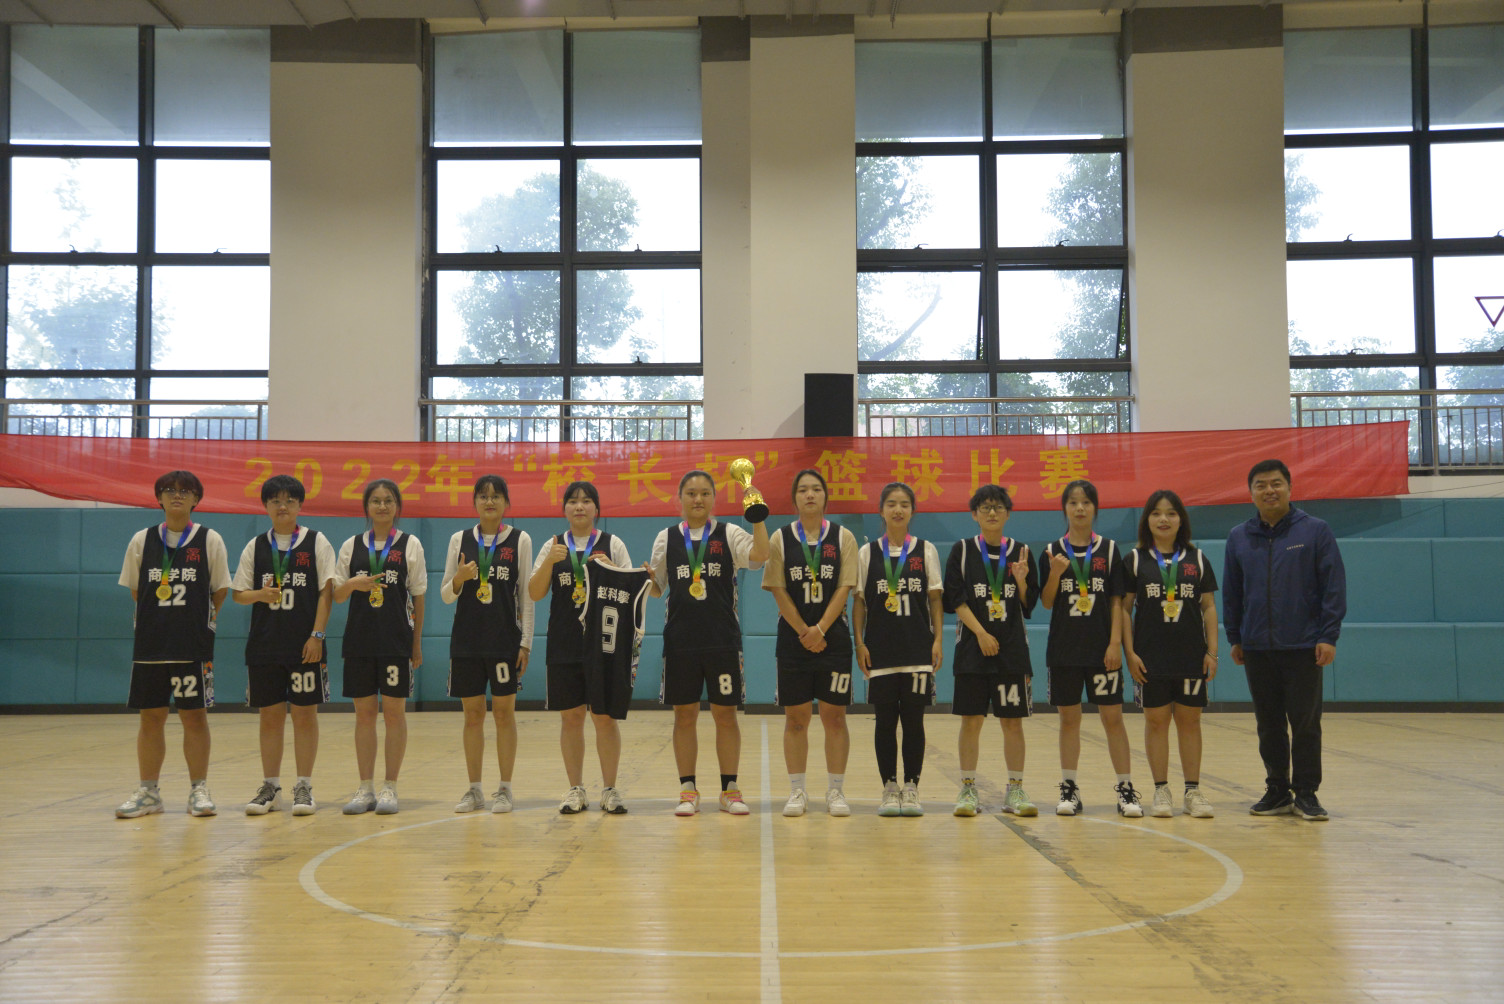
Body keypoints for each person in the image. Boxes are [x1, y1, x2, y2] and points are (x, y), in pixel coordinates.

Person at [1224, 459, 1346, 822]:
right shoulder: (1239, 537)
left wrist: (1328, 635)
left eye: (1276, 483)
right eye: (1260, 485)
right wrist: (1235, 636)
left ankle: (1306, 792)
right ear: (1250, 493)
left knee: (1306, 724)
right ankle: (1277, 789)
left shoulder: (1315, 531)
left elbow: (1333, 587)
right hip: (1256, 647)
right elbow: (1232, 592)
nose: (1269, 491)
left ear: (1289, 488)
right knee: (1269, 724)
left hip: (1304, 646)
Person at [647, 469, 770, 817]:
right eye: (690, 493)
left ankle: (730, 790)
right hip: (681, 642)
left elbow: (761, 554)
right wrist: (642, 579)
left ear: (714, 498)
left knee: (725, 715)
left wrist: (757, 515)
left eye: (704, 493)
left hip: (722, 641)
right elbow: (656, 589)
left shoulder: (729, 534)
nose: (697, 499)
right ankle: (688, 790)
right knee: (684, 716)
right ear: (680, 499)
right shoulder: (666, 538)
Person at [115, 470, 231, 818]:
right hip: (150, 646)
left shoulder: (209, 539)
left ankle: (199, 790)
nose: (176, 495)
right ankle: (149, 793)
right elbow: (137, 592)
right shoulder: (142, 540)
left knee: (194, 717)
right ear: (159, 498)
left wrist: (196, 622)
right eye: (169, 490)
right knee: (150, 717)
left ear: (196, 499)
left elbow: (220, 591)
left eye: (184, 490)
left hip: (192, 645)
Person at [231, 474, 336, 816]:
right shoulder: (256, 546)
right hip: (264, 646)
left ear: (299, 505)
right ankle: (271, 787)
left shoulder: (316, 542)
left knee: (305, 716)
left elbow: (326, 592)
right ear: (265, 506)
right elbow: (238, 594)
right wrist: (259, 595)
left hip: (304, 646)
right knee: (270, 718)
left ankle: (304, 785)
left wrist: (317, 635)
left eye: (289, 500)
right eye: (275, 500)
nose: (282, 506)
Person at [527, 481, 634, 814]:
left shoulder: (613, 544)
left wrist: (614, 570)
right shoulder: (553, 545)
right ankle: (575, 789)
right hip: (564, 643)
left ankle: (610, 790)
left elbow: (632, 590)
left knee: (604, 718)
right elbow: (534, 592)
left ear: (596, 509)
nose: (579, 506)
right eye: (572, 501)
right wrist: (549, 562)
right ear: (564, 510)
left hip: (604, 644)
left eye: (586, 501)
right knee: (571, 718)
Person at [1037, 480, 1141, 818]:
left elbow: (1117, 601)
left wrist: (1114, 644)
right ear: (1064, 508)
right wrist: (1055, 573)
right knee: (1069, 720)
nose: (1080, 508)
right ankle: (1069, 789)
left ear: (1095, 508)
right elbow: (1047, 602)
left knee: (1113, 719)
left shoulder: (1109, 550)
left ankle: (1126, 790)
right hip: (1064, 651)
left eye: (1086, 502)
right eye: (1073, 502)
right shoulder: (1052, 551)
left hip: (1102, 651)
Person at [762, 469, 859, 818]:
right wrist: (805, 631)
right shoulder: (780, 538)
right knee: (796, 719)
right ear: (794, 498)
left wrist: (820, 629)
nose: (810, 495)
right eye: (803, 489)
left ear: (825, 496)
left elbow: (845, 587)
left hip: (834, 641)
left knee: (835, 717)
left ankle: (836, 791)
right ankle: (797, 791)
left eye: (816, 489)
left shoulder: (844, 537)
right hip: (793, 641)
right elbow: (777, 588)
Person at [1121, 490, 1218, 819]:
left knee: (1190, 722)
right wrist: (1130, 653)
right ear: (1146, 519)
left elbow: (1208, 607)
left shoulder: (1197, 558)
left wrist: (1212, 652)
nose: (1164, 519)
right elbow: (1123, 610)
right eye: (1156, 513)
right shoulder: (1135, 560)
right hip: (1150, 658)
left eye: (1171, 513)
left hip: (1191, 657)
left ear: (1181, 519)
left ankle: (1193, 791)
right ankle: (1161, 790)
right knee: (1156, 722)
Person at [945, 484, 1040, 818]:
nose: (992, 512)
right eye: (984, 507)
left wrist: (1022, 580)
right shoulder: (962, 550)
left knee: (1013, 723)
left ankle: (1015, 789)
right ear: (974, 514)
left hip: (1011, 652)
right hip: (973, 650)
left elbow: (1028, 605)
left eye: (998, 507)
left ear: (1008, 513)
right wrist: (982, 633)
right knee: (971, 721)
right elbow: (956, 599)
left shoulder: (1022, 552)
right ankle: (967, 788)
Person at [334, 479, 426, 815]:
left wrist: (416, 644)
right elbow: (336, 594)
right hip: (359, 642)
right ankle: (365, 788)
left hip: (395, 642)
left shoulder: (410, 544)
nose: (382, 506)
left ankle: (390, 787)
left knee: (394, 713)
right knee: (364, 715)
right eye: (376, 500)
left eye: (388, 500)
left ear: (397, 506)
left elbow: (418, 596)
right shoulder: (351, 546)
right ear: (367, 507)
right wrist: (352, 584)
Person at [443, 475, 533, 815]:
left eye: (496, 496)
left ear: (506, 503)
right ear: (475, 503)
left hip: (504, 642)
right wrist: (459, 579)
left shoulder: (520, 540)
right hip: (466, 642)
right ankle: (475, 789)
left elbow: (526, 596)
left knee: (504, 714)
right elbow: (446, 595)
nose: (489, 501)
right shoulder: (459, 539)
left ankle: (505, 789)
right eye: (483, 496)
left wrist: (525, 643)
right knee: (472, 716)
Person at [853, 482, 944, 818]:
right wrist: (859, 642)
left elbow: (935, 599)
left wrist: (938, 639)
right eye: (891, 503)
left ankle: (912, 787)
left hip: (917, 650)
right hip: (880, 651)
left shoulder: (926, 550)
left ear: (912, 511)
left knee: (914, 722)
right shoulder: (867, 553)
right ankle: (890, 787)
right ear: (881, 510)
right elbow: (859, 602)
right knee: (885, 722)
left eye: (904, 504)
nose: (898, 510)